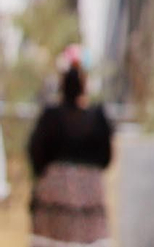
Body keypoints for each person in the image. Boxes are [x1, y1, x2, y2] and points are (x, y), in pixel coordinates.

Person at [27, 48, 113, 247]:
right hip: (89, 192)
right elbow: (105, 157)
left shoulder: (51, 117)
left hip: (54, 193)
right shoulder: (97, 117)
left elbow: (36, 151)